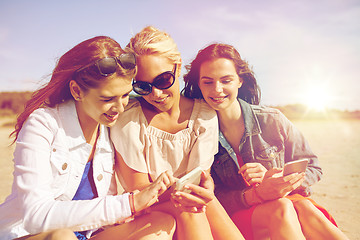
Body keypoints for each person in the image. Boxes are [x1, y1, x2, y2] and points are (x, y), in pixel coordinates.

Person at [0, 36, 177, 240]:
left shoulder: (110, 126)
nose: (120, 108)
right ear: (76, 91)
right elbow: (36, 216)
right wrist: (128, 204)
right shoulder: (42, 124)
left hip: (89, 235)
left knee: (160, 222)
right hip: (29, 234)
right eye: (108, 99)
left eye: (125, 95)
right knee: (62, 237)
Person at [182, 43, 349, 240]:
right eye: (208, 82)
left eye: (226, 80)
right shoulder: (196, 131)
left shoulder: (272, 119)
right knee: (283, 207)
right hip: (238, 218)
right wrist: (256, 194)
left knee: (301, 205)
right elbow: (212, 197)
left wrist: (278, 178)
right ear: (199, 84)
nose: (217, 89)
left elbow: (313, 167)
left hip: (290, 203)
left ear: (240, 81)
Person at [111, 26, 244, 240]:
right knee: (191, 209)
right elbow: (140, 191)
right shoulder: (129, 120)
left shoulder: (204, 115)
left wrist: (205, 186)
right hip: (146, 213)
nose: (156, 94)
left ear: (178, 66)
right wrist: (192, 191)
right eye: (143, 87)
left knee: (200, 206)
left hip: (189, 205)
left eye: (163, 80)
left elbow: (199, 178)